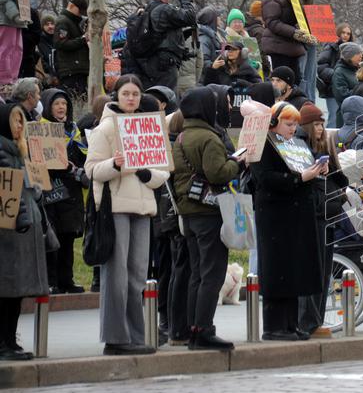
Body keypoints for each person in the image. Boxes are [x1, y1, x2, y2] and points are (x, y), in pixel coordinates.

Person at [84, 75, 169, 355]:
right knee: (116, 277)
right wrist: (116, 164)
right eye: (126, 94)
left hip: (143, 209)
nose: (131, 98)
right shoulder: (106, 128)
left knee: (136, 276)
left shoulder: (148, 126)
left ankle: (135, 335)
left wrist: (147, 173)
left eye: (135, 94)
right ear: (116, 96)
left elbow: (163, 171)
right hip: (115, 209)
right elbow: (92, 170)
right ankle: (115, 338)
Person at [172, 88, 245, 349]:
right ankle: (204, 329)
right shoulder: (209, 138)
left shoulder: (181, 137)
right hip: (209, 211)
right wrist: (238, 162)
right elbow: (218, 173)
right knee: (212, 274)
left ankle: (192, 328)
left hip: (188, 211)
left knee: (196, 274)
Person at [250, 102, 328, 340]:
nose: (293, 128)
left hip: (297, 217)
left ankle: (292, 324)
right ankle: (274, 327)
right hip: (275, 217)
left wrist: (317, 171)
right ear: (274, 123)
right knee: (277, 271)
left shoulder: (297, 143)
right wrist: (300, 178)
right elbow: (264, 179)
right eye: (288, 123)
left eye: (295, 124)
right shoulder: (263, 144)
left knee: (294, 272)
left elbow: (304, 171)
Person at [0, 103, 47, 360]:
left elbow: (31, 188)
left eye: (21, 121)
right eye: (15, 121)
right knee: (6, 291)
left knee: (15, 292)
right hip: (9, 232)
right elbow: (9, 193)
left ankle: (10, 340)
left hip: (24, 228)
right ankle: (3, 343)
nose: (20, 126)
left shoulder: (21, 152)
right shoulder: (3, 152)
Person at [296, 101, 347, 337]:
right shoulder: (300, 149)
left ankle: (314, 320)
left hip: (325, 214)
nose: (320, 129)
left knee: (323, 272)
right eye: (315, 124)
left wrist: (331, 169)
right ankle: (308, 322)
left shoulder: (322, 148)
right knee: (313, 271)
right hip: (313, 215)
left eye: (321, 124)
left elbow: (339, 181)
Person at [40, 89, 88, 294]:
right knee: (53, 239)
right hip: (51, 192)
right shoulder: (41, 130)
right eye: (57, 104)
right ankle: (52, 281)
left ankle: (66, 279)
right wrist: (66, 168)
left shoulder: (74, 131)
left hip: (71, 192)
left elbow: (83, 156)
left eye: (64, 104)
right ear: (48, 107)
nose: (61, 108)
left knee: (68, 237)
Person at [261, 0, 315, 84]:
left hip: (288, 47)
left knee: (293, 82)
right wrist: (294, 32)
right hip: (279, 48)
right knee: (283, 83)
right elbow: (272, 23)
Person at [52, 0, 90, 97]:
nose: (81, 14)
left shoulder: (76, 22)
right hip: (70, 70)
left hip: (78, 68)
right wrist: (83, 39)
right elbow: (61, 43)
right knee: (73, 98)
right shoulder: (63, 22)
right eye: (79, 11)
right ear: (72, 6)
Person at [291, 0, 319, 101]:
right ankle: (304, 104)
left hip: (310, 43)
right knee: (305, 77)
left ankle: (309, 103)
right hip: (303, 44)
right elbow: (298, 22)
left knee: (310, 77)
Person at [331, 41, 363, 125]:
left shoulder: (358, 69)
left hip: (359, 115)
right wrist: (362, 91)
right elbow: (342, 95)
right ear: (350, 56)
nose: (361, 56)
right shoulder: (339, 72)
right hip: (346, 118)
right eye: (357, 53)